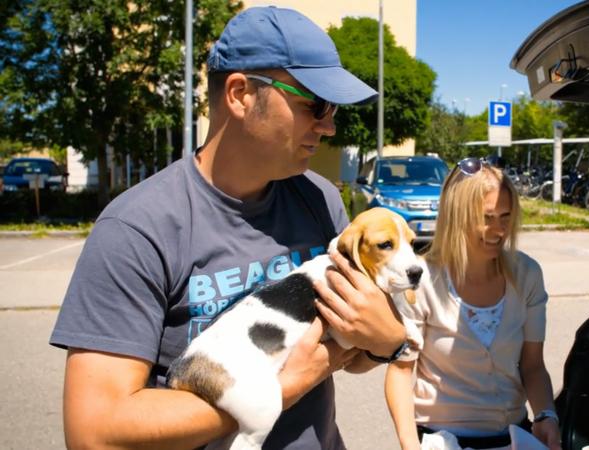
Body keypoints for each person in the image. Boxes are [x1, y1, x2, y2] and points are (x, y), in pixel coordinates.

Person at [49, 6, 408, 450]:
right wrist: (280, 389)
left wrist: (387, 342)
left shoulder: (318, 199)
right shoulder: (137, 229)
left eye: (332, 109)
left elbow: (350, 349)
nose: (329, 125)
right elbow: (95, 433)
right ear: (240, 94)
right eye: (314, 105)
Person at [385, 157, 562, 450]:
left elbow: (533, 366)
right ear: (457, 215)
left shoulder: (527, 274)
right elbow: (401, 371)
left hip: (512, 436)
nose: (499, 230)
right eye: (487, 218)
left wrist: (546, 415)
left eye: (506, 217)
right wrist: (408, 444)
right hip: (441, 439)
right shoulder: (423, 279)